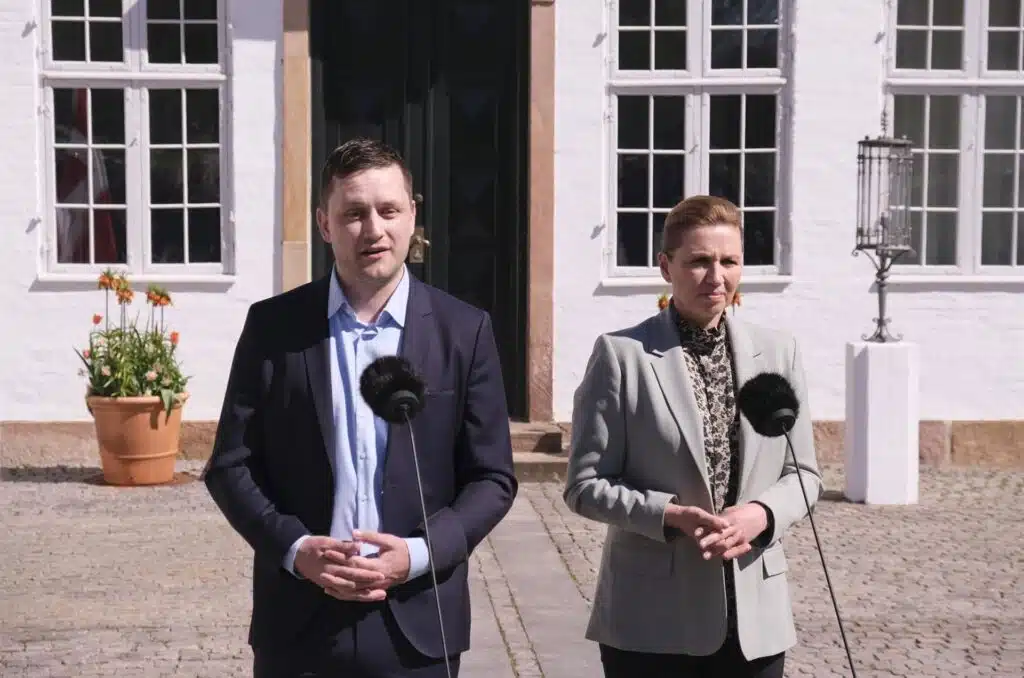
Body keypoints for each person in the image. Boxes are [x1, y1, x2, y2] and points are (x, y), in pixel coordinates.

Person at [204, 137, 518, 677]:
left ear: (412, 214)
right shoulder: (274, 327)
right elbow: (230, 465)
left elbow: (492, 478)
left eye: (388, 210)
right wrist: (296, 548)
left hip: (419, 624)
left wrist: (417, 554)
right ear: (324, 224)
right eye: (353, 213)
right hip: (299, 624)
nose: (373, 230)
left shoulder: (465, 331)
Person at [563, 195, 823, 678]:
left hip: (755, 618)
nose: (716, 277)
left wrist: (761, 514)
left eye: (730, 261)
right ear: (666, 266)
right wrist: (669, 515)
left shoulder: (778, 351)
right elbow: (584, 486)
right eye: (699, 261)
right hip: (652, 620)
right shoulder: (622, 356)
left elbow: (804, 474)